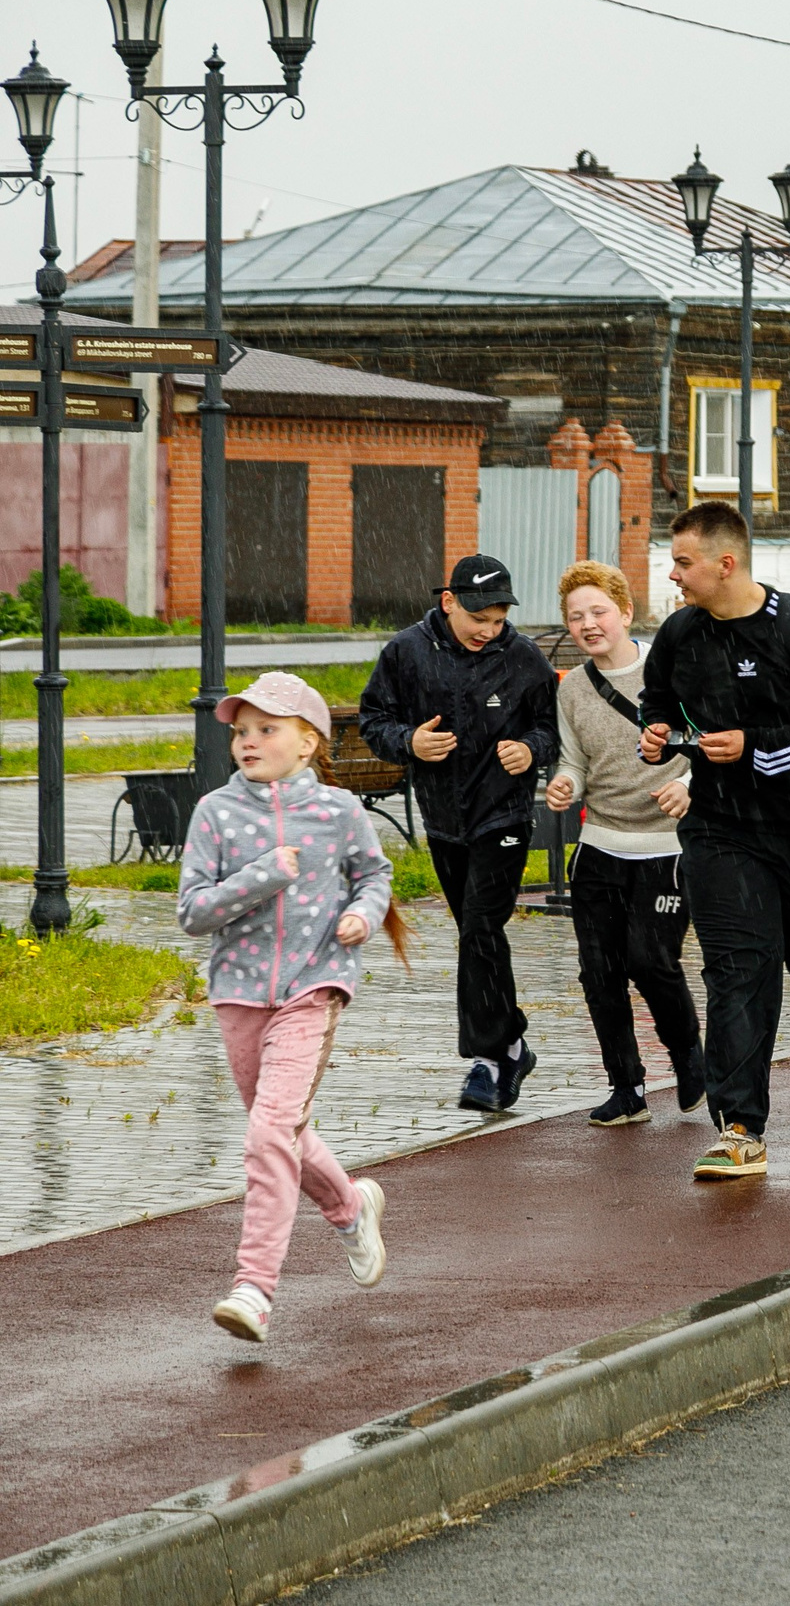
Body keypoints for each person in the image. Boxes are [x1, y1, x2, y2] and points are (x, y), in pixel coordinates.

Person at [638, 502, 790, 1181]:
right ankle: (739, 1127)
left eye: (683, 562)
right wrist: (655, 736)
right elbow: (659, 702)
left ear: (725, 562)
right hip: (723, 826)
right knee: (738, 968)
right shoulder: (680, 634)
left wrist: (754, 748)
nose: (674, 574)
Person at [179, 672, 403, 1343]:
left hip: (315, 985)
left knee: (268, 1133)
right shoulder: (216, 812)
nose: (248, 741)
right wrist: (265, 873)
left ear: (307, 743)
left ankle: (254, 1287)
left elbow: (375, 875)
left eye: (265, 729)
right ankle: (349, 1205)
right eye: (241, 731)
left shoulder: (339, 812)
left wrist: (363, 915)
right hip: (239, 992)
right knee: (283, 1130)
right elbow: (192, 910)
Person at [358, 554, 556, 1113]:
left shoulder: (523, 659)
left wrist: (531, 751)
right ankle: (512, 1042)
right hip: (444, 821)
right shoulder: (406, 652)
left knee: (479, 929)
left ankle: (489, 1060)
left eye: (497, 620)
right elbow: (375, 719)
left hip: (505, 816)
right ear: (449, 603)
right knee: (478, 936)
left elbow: (550, 728)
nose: (488, 631)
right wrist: (408, 743)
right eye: (479, 620)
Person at [545, 560, 703, 1128]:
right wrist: (565, 784)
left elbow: (708, 741)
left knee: (651, 958)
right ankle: (626, 1086)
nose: (588, 624)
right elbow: (574, 760)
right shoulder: (573, 690)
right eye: (575, 617)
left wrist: (689, 786)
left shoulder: (673, 670)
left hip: (667, 848)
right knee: (599, 969)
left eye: (598, 612)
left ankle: (689, 1055)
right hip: (601, 846)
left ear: (626, 613)